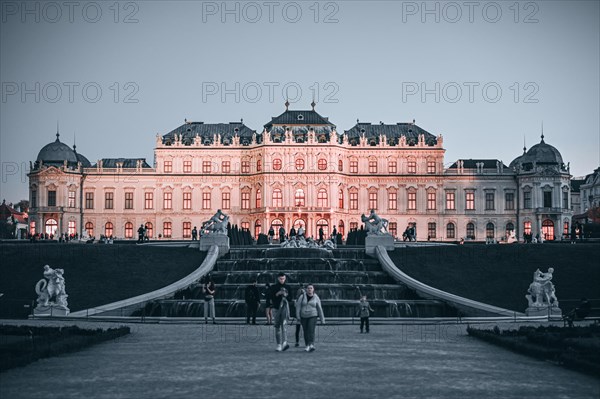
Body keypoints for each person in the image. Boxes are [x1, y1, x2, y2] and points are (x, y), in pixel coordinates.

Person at [296, 284, 325, 352]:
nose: (309, 289)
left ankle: (311, 344)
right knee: (305, 331)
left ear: (313, 289)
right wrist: (298, 316)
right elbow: (298, 307)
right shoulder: (302, 296)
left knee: (311, 329)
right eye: (308, 288)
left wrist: (322, 319)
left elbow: (319, 308)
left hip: (313, 315)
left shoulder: (316, 297)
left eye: (311, 288)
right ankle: (307, 345)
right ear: (306, 289)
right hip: (304, 316)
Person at [269, 273, 292, 352]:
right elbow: (270, 297)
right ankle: (279, 344)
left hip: (285, 309)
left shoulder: (288, 287)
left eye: (283, 278)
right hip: (276, 309)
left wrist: (286, 295)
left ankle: (285, 342)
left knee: (284, 326)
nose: (282, 280)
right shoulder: (274, 287)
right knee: (277, 327)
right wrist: (277, 294)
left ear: (285, 278)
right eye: (280, 279)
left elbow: (290, 299)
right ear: (278, 278)